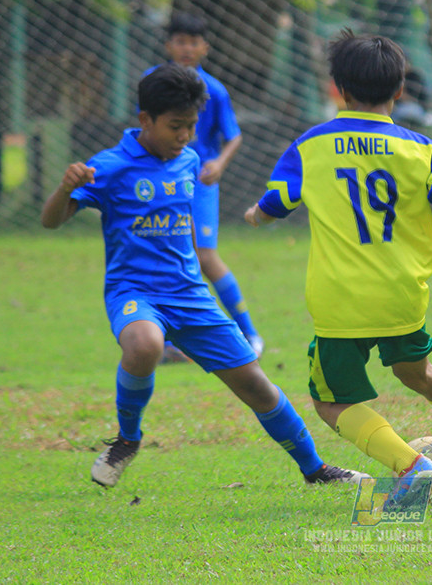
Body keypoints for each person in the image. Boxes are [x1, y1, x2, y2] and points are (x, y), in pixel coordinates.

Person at [42, 63, 367, 489]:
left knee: (257, 386)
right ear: (145, 121)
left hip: (190, 294)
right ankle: (127, 440)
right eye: (176, 126)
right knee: (145, 344)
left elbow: (182, 222)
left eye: (191, 126)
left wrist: (194, 263)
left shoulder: (190, 160)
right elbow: (52, 220)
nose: (186, 136)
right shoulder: (110, 166)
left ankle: (316, 469)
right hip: (134, 291)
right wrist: (65, 188)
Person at [244, 30, 432, 507]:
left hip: (340, 300)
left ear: (337, 87)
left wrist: (256, 214)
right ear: (400, 90)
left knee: (330, 401)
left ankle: (409, 465)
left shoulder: (310, 146)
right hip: (403, 295)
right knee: (417, 373)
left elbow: (273, 205)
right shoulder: (424, 150)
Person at [146, 12, 263, 358]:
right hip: (159, 183)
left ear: (204, 48)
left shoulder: (214, 90)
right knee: (160, 253)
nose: (187, 48)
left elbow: (233, 137)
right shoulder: (152, 82)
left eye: (193, 42)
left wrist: (219, 164)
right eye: (180, 41)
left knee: (205, 257)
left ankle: (249, 333)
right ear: (168, 45)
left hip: (198, 184)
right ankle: (166, 340)